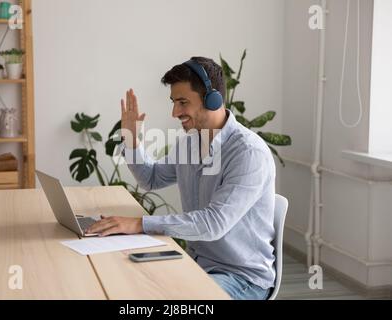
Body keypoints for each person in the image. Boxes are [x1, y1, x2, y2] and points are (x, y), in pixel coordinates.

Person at [87, 57, 276, 300]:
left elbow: (213, 224)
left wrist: (138, 223)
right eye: (174, 102)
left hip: (241, 278)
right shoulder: (190, 143)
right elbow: (152, 179)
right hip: (197, 264)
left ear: (213, 99)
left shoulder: (248, 152)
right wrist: (131, 140)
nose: (175, 112)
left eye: (183, 102)